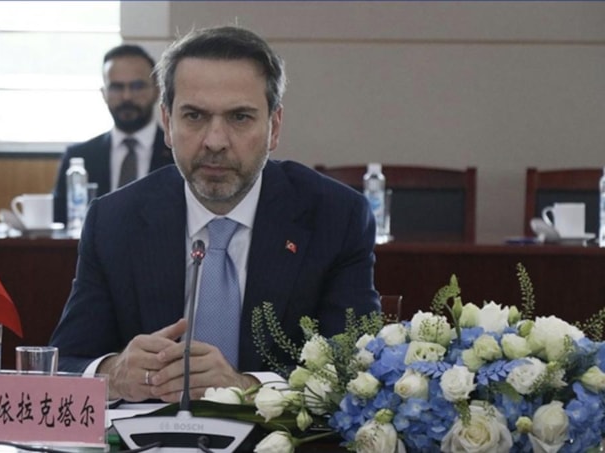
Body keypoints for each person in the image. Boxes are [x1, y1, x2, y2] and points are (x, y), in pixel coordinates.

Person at [49, 26, 380, 403]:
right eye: (194, 116)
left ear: (273, 127)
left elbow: (356, 371)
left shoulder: (335, 217)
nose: (215, 141)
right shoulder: (114, 220)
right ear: (167, 124)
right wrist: (113, 373)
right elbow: (66, 362)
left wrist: (246, 387)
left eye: (239, 117)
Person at [52, 44, 175, 224]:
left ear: (157, 91)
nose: (127, 97)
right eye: (117, 87)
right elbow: (59, 221)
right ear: (104, 93)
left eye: (137, 86)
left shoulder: (177, 154)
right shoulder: (79, 158)